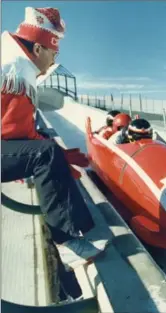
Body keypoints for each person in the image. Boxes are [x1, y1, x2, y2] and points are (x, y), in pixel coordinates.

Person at [1, 7, 108, 270]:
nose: (54, 61)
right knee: (46, 152)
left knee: (46, 147)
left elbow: (18, 132)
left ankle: (81, 229)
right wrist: (57, 156)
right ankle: (68, 243)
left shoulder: (14, 63)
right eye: (53, 52)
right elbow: (12, 133)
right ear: (38, 49)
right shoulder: (15, 71)